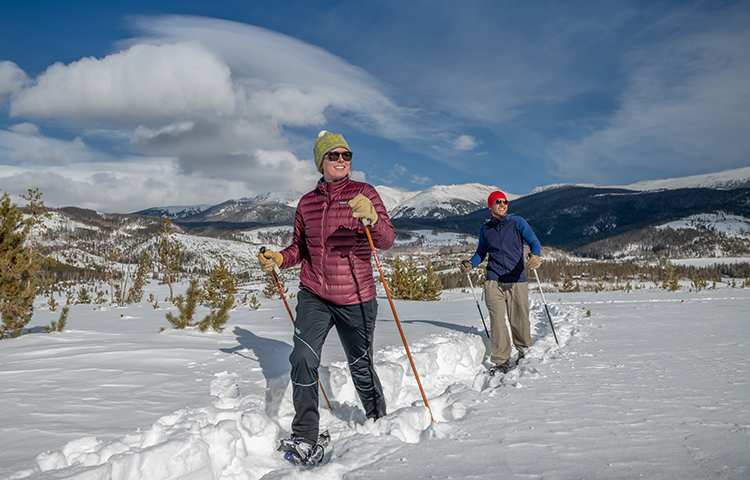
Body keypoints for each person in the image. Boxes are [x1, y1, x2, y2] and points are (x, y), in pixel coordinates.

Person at [258, 130, 395, 465]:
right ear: (321, 160)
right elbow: (299, 248)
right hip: (314, 294)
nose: (341, 161)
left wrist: (372, 218)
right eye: (334, 155)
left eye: (346, 155)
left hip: (356, 296)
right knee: (302, 359)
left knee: (361, 365)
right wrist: (279, 258)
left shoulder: (365, 193)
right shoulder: (307, 202)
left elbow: (387, 239)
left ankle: (379, 419)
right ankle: (305, 435)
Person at [460, 190, 542, 374]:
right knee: (497, 321)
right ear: (490, 206)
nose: (503, 204)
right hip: (494, 279)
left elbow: (534, 242)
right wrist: (470, 264)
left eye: (505, 202)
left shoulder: (517, 222)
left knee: (519, 319)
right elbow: (481, 253)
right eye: (498, 202)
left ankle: (523, 350)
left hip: (516, 279)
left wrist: (536, 256)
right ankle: (501, 361)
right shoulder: (486, 229)